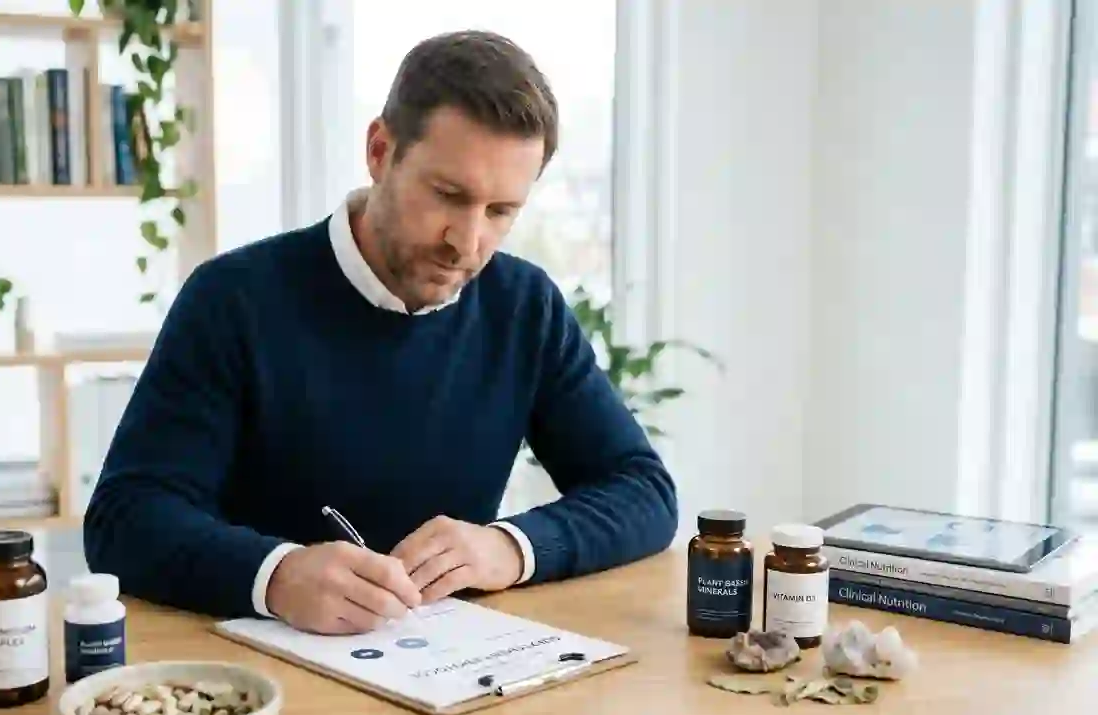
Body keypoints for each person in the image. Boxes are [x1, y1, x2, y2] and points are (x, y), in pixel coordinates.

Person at [83, 29, 679, 635]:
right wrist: (275, 574)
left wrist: (510, 547)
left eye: (501, 211)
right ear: (379, 150)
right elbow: (124, 519)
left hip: (443, 663)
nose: (467, 243)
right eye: (448, 195)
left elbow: (643, 491)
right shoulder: (231, 299)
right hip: (258, 666)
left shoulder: (525, 306)